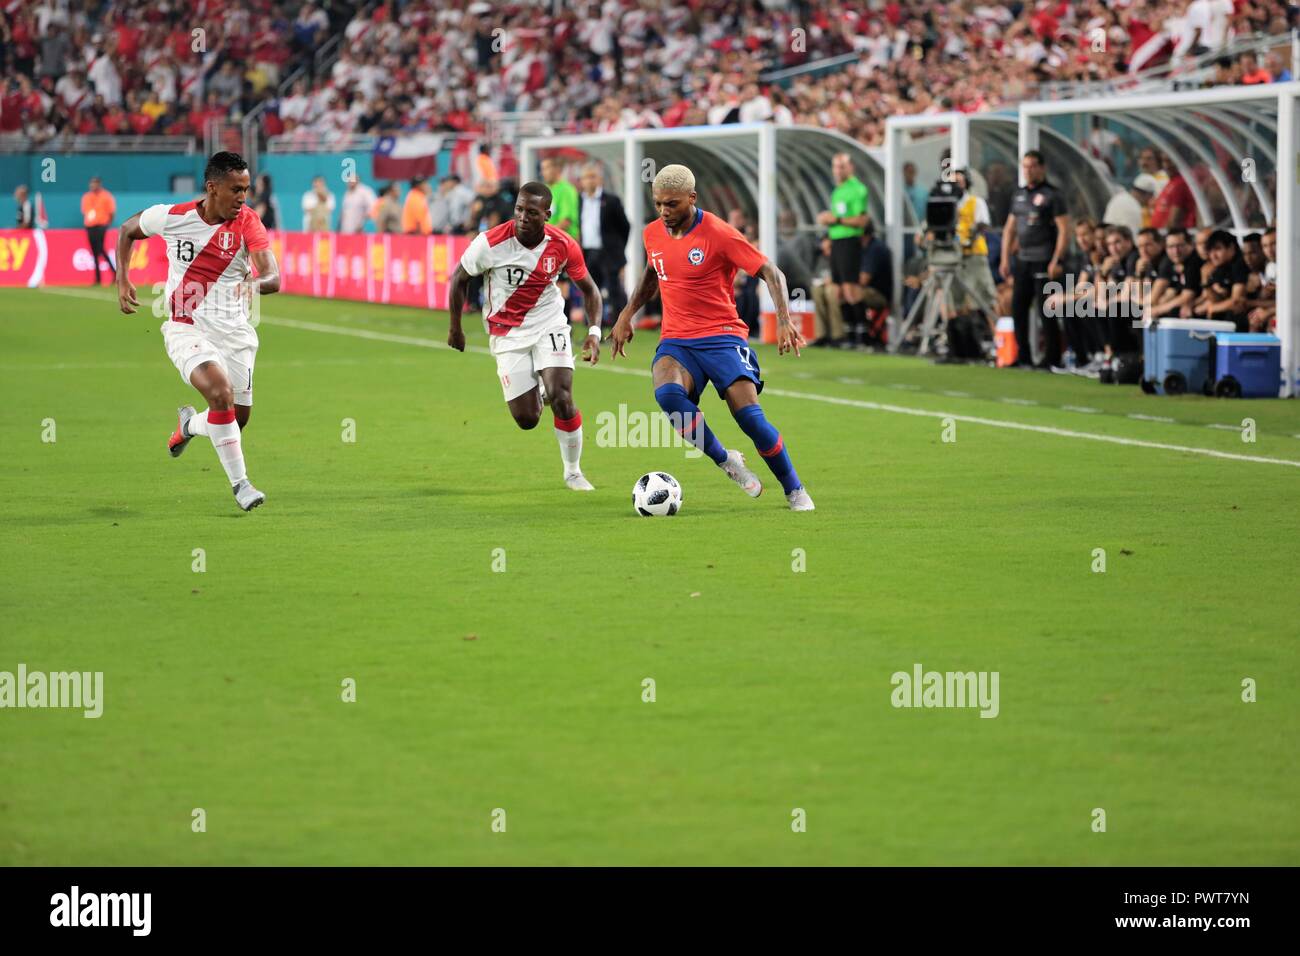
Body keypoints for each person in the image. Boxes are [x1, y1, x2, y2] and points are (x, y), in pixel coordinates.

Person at [610, 164, 814, 512]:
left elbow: (771, 271)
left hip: (722, 338)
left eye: (672, 204)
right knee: (668, 397)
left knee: (750, 419)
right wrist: (626, 314)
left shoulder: (719, 233)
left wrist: (784, 320)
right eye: (658, 204)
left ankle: (794, 489)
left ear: (692, 198)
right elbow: (651, 274)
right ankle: (725, 460)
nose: (664, 212)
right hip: (677, 340)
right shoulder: (652, 233)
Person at [114, 151, 281, 512]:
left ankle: (189, 426)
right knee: (219, 394)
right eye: (236, 189)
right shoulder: (173, 217)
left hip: (235, 332)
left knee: (236, 420)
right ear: (212, 187)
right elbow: (127, 230)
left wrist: (256, 283)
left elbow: (273, 275)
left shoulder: (248, 222)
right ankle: (242, 486)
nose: (242, 197)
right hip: (185, 326)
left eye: (246, 189)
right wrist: (122, 278)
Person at [446, 181, 604, 492]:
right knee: (528, 419)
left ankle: (573, 472)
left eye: (531, 212)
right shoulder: (489, 243)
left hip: (549, 325)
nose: (522, 217)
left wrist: (595, 332)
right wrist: (455, 327)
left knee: (562, 396)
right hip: (506, 334)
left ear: (547, 214)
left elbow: (591, 291)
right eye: (519, 209)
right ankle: (540, 392)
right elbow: (459, 279)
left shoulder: (563, 244)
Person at [1000, 150, 1069, 369]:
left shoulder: (1052, 195)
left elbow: (1065, 229)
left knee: (1046, 310)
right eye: (1025, 166)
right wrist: (1004, 259)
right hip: (1023, 260)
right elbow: (1009, 229)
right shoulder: (1019, 195)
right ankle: (1024, 356)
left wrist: (1057, 260)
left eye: (1032, 166)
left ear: (1042, 168)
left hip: (1044, 258)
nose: (1028, 171)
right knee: (1018, 308)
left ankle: (1051, 357)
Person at [817, 153, 870, 349]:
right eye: (835, 167)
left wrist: (834, 220)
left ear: (850, 168)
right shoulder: (837, 191)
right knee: (838, 290)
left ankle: (863, 335)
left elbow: (862, 220)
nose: (837, 171)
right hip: (837, 242)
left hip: (850, 241)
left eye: (841, 167)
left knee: (850, 289)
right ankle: (848, 334)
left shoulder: (857, 189)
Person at [578, 162, 630, 328]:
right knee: (591, 291)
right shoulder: (579, 201)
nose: (589, 181)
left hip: (608, 253)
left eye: (592, 176)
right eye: (586, 177)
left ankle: (618, 328)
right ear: (581, 181)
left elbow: (625, 226)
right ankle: (593, 329)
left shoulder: (611, 201)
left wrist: (618, 250)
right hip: (588, 252)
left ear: (600, 179)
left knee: (614, 291)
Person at [1193, 230, 1249, 330]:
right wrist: (1205, 281)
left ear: (1231, 248)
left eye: (1218, 249)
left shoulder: (1240, 264)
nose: (1213, 255)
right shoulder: (1220, 267)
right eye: (1210, 251)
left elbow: (1237, 301)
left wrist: (1212, 308)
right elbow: (1216, 300)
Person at [81, 176, 116, 285]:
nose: (93, 186)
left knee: (100, 249)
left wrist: (107, 223)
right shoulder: (86, 197)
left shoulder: (106, 196)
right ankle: (98, 278)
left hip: (101, 225)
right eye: (91, 183)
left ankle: (114, 273)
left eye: (95, 183)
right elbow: (85, 211)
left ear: (99, 184)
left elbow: (111, 212)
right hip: (90, 226)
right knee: (95, 252)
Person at [541, 156, 580, 241]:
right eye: (542, 169)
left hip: (564, 242)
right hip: (550, 240)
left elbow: (566, 221)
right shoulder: (545, 190)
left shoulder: (566, 189)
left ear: (557, 169)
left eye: (547, 168)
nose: (543, 173)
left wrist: (544, 236)